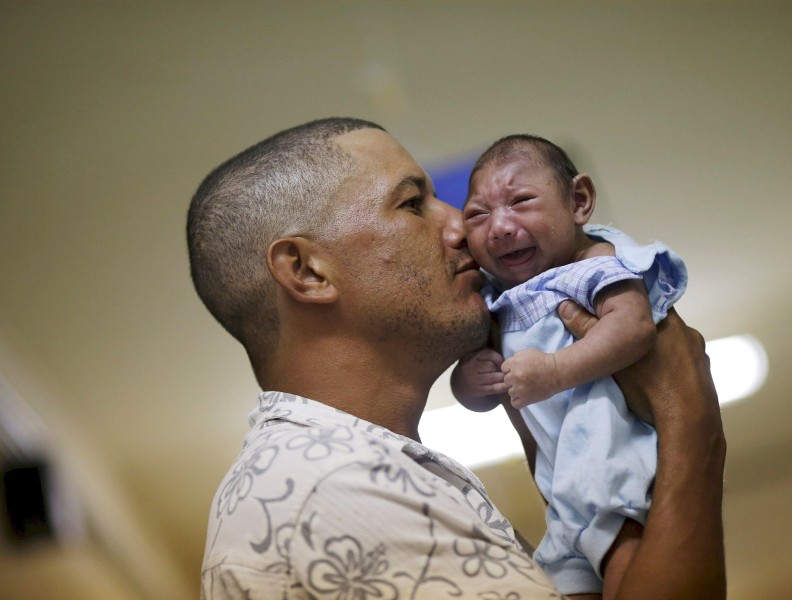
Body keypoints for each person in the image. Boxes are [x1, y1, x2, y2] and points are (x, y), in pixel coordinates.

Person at [187, 117, 726, 599]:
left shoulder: (346, 474)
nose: (462, 229)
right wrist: (689, 420)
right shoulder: (332, 488)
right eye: (412, 203)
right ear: (307, 270)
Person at [450, 134, 688, 596]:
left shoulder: (592, 264)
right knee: (565, 581)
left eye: (520, 201)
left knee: (627, 566)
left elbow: (633, 327)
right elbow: (478, 400)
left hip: (611, 464)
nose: (499, 226)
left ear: (578, 201)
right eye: (477, 214)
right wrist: (469, 381)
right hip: (562, 493)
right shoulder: (493, 299)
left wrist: (557, 371)